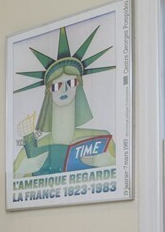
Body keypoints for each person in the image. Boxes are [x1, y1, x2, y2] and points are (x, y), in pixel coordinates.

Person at [12, 25, 117, 177]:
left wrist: (110, 163)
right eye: (57, 86)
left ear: (78, 86)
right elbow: (12, 185)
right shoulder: (28, 152)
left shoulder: (101, 139)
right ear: (49, 91)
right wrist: (20, 172)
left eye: (71, 83)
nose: (64, 90)